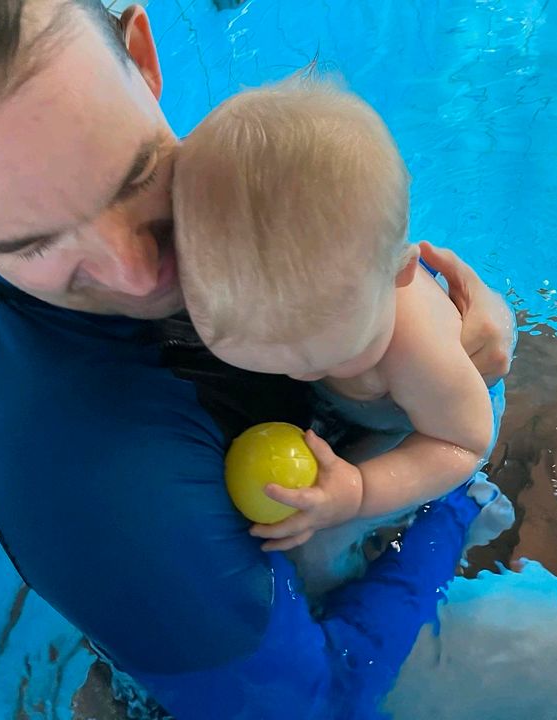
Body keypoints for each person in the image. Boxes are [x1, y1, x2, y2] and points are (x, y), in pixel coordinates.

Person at [0, 2, 515, 719]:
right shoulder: (98, 498)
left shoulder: (252, 169)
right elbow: (318, 705)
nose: (143, 274)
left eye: (137, 176)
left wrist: (446, 339)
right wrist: (451, 501)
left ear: (146, 59)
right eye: (33, 245)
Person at [173, 81, 502, 553]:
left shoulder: (417, 347)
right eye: (269, 354)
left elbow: (465, 444)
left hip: (431, 422)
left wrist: (358, 491)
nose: (301, 372)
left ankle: (468, 511)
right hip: (359, 409)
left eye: (328, 355)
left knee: (319, 550)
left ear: (400, 274)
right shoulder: (297, 307)